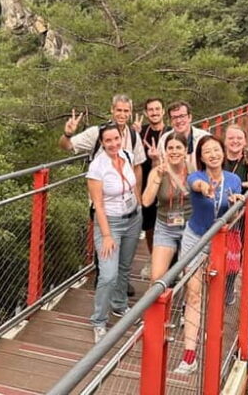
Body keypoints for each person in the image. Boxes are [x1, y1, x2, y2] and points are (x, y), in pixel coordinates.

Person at [59, 94, 146, 297]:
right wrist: (67, 134)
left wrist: (138, 197)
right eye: (119, 110)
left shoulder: (133, 136)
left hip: (127, 203)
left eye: (126, 111)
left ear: (130, 113)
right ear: (112, 110)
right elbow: (67, 146)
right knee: (105, 245)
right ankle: (105, 281)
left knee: (124, 244)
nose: (122, 114)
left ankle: (118, 282)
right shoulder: (96, 133)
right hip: (102, 202)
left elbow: (138, 167)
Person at [174, 135, 244, 375]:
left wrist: (236, 204)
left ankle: (213, 345)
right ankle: (189, 356)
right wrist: (205, 188)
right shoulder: (197, 176)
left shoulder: (234, 179)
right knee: (193, 294)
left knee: (216, 295)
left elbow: (234, 213)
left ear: (223, 154)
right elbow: (195, 185)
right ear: (201, 158)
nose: (213, 154)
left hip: (220, 241)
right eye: (207, 152)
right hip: (195, 238)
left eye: (216, 150)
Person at [86, 124, 142, 343]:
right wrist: (107, 235)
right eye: (108, 140)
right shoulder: (97, 167)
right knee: (108, 274)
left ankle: (119, 305)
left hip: (132, 218)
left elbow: (133, 184)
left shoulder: (126, 155)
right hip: (110, 223)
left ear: (121, 138)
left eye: (116, 139)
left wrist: (139, 205)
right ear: (102, 142)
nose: (113, 144)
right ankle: (98, 320)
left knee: (124, 267)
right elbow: (98, 204)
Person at [141, 132, 192, 282]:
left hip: (190, 227)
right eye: (170, 148)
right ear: (165, 151)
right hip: (165, 227)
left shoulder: (193, 170)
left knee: (191, 278)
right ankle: (158, 305)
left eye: (178, 147)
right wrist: (157, 177)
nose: (174, 151)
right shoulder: (157, 173)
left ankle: (187, 304)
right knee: (157, 279)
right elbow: (146, 201)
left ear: (185, 150)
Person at [222, 124, 248, 305]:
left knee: (236, 252)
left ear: (245, 141)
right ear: (225, 140)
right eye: (231, 138)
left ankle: (228, 286)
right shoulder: (218, 158)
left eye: (239, 138)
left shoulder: (247, 161)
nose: (235, 141)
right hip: (218, 212)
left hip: (240, 216)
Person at [133, 98, 171, 280]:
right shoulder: (142, 134)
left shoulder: (171, 133)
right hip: (147, 187)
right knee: (149, 227)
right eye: (151, 110)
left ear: (163, 111)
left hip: (167, 186)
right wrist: (133, 135)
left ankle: (170, 262)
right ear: (147, 113)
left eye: (157, 109)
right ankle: (153, 258)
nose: (154, 113)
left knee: (167, 224)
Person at [157, 101, 209, 171]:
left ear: (190, 117)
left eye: (182, 116)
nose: (178, 121)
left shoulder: (204, 138)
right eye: (174, 117)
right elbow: (159, 166)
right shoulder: (164, 140)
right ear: (170, 121)